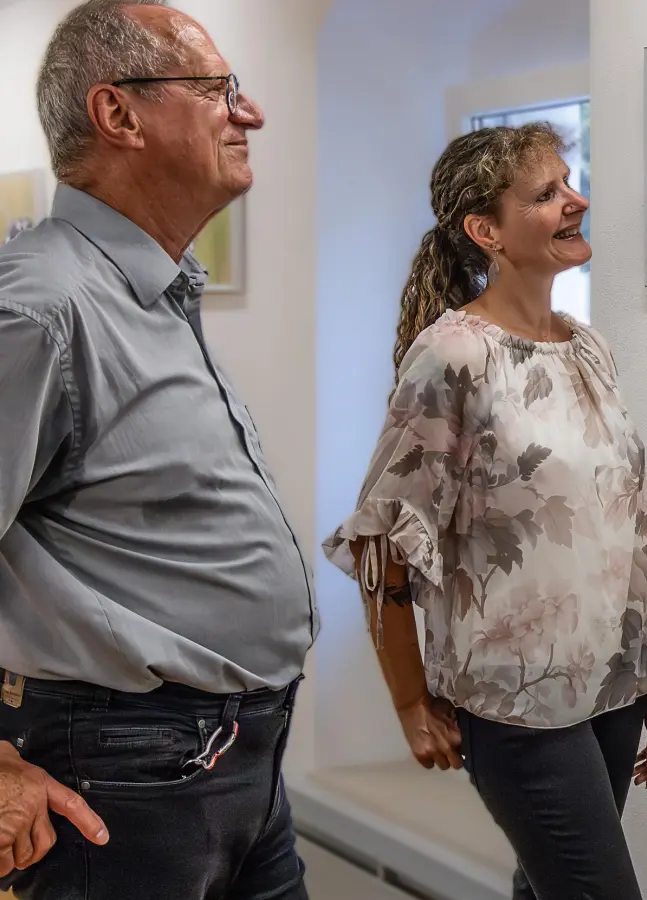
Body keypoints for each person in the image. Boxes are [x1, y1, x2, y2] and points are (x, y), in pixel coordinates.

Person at [0, 2, 316, 898]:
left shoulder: (152, 290)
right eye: (218, 90)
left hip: (240, 763)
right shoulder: (41, 307)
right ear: (120, 116)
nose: (246, 114)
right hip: (123, 779)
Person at [322, 123, 647, 900]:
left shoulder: (589, 348)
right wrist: (411, 700)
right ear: (487, 231)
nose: (575, 201)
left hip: (612, 686)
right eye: (547, 193)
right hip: (514, 704)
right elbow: (383, 538)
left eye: (570, 183)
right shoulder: (453, 357)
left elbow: (624, 523)